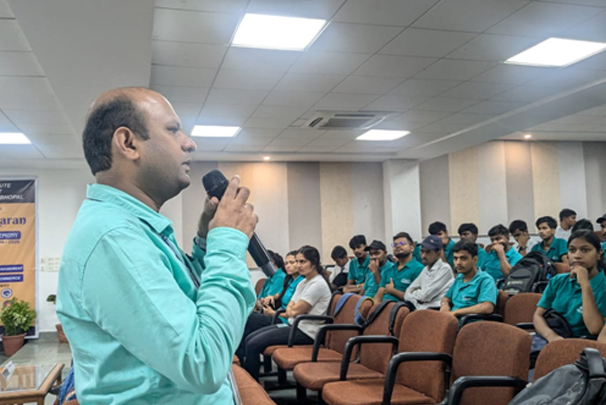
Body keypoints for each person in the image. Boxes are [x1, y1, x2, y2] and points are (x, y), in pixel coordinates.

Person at [56, 87, 258, 404]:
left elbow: (190, 309)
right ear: (128, 143)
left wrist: (207, 242)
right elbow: (202, 363)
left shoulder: (132, 226)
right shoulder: (114, 237)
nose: (189, 143)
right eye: (173, 129)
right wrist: (229, 243)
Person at [242, 246, 332, 381]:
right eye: (297, 262)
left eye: (302, 262)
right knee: (250, 339)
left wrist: (292, 311)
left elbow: (294, 311)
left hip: (306, 332)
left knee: (253, 344)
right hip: (293, 325)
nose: (298, 265)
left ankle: (250, 384)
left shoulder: (317, 284)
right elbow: (291, 307)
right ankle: (246, 377)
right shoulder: (303, 282)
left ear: (314, 264)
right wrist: (292, 311)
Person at [533, 230, 606, 341]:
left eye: (585, 250)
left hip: (582, 343)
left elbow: (594, 329)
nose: (577, 256)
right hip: (553, 338)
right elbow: (538, 315)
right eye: (572, 250)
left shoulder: (603, 286)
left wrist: (585, 285)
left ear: (599, 253)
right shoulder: (558, 280)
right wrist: (551, 336)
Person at [236, 251, 302, 362]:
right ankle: (242, 360)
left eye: (292, 262)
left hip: (285, 319)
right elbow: (275, 295)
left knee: (248, 324)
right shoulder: (289, 280)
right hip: (279, 315)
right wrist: (272, 297)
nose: (288, 266)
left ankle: (243, 360)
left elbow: (292, 310)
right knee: (247, 330)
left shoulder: (297, 281)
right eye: (286, 263)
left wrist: (272, 311)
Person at [440, 239, 498, 318]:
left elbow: (487, 307)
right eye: (455, 258)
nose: (458, 263)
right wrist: (444, 305)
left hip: (470, 322)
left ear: (474, 260)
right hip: (452, 320)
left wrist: (455, 312)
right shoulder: (459, 277)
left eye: (463, 258)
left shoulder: (485, 280)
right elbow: (446, 297)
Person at [404, 236, 454, 310]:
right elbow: (407, 292)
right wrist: (418, 296)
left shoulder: (445, 269)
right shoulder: (425, 269)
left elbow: (425, 296)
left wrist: (415, 293)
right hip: (420, 308)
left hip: (436, 309)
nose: (423, 256)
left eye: (428, 252)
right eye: (422, 251)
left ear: (438, 253)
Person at [374, 232, 423, 302]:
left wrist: (392, 291)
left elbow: (416, 298)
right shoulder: (388, 270)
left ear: (412, 248)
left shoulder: (419, 269)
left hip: (403, 307)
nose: (397, 246)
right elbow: (379, 295)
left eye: (402, 243)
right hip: (383, 306)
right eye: (395, 245)